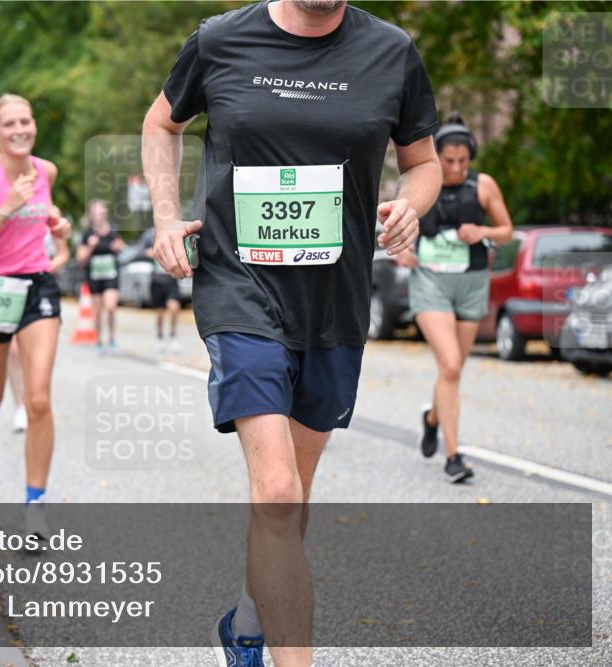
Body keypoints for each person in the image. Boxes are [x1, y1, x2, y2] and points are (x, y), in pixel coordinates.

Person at [142, 2, 442, 666]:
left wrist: (411, 205)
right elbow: (162, 122)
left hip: (334, 301)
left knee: (291, 495)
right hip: (239, 286)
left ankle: (248, 624)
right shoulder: (221, 40)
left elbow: (424, 162)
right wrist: (165, 216)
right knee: (277, 489)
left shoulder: (391, 51)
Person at [0, 93, 71, 534]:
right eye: (9, 124)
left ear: (34, 125)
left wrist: (60, 227)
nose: (20, 129)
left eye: (26, 121)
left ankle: (35, 506)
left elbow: (46, 217)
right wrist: (7, 208)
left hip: (38, 285)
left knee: (38, 399)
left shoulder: (46, 171)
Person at [394, 113, 513, 482]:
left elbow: (507, 231)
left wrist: (482, 231)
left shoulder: (483, 185)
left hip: (471, 283)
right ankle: (453, 457)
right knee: (449, 366)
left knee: (454, 369)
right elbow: (397, 227)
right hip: (431, 282)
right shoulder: (421, 184)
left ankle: (433, 418)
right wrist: (402, 250)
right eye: (449, 161)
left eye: (464, 160)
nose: (457, 168)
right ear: (437, 157)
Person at [8, 227, 71, 433]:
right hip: (9, 285)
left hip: (41, 286)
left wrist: (43, 268)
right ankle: (19, 405)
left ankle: (35, 402)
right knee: (14, 353)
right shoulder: (7, 212)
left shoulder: (51, 215)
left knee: (37, 357)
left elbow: (63, 253)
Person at [75, 199, 124, 353]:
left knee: (110, 307)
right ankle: (98, 340)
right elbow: (80, 258)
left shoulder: (114, 231)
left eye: (101, 211)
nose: (99, 215)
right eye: (95, 212)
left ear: (105, 213)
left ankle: (112, 338)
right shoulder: (87, 234)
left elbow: (122, 247)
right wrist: (90, 246)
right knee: (97, 311)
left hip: (111, 275)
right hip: (94, 277)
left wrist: (118, 247)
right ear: (91, 215)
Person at [141, 226, 183, 353]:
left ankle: (173, 337)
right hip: (157, 280)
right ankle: (159, 337)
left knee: (174, 308)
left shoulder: (173, 233)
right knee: (159, 312)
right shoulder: (150, 235)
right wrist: (153, 252)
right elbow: (142, 251)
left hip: (171, 279)